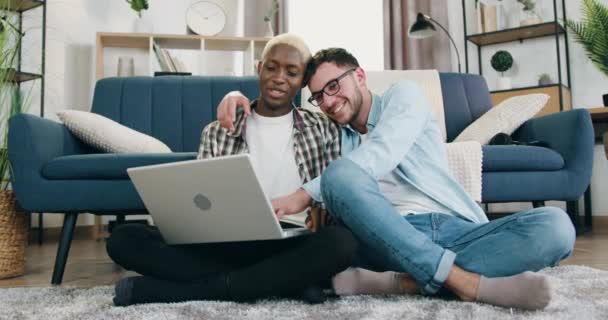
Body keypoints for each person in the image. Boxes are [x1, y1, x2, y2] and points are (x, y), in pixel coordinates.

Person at [216, 48, 576, 310]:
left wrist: (304, 193)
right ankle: (464, 282)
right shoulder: (330, 130)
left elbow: (383, 152)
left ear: (358, 76)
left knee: (556, 226)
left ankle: (401, 283)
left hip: (452, 230)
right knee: (338, 182)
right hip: (376, 239)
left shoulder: (403, 97)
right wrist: (235, 96)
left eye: (334, 86)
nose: (327, 101)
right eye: (319, 96)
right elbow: (279, 103)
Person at [106, 35, 358, 306]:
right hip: (228, 244)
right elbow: (199, 203)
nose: (279, 78)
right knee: (123, 238)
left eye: (292, 72)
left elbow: (334, 193)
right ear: (259, 67)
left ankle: (196, 289)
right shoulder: (218, 130)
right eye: (272, 68)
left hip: (292, 242)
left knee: (342, 243)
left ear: (303, 82)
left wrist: (322, 210)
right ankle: (286, 282)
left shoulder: (323, 128)